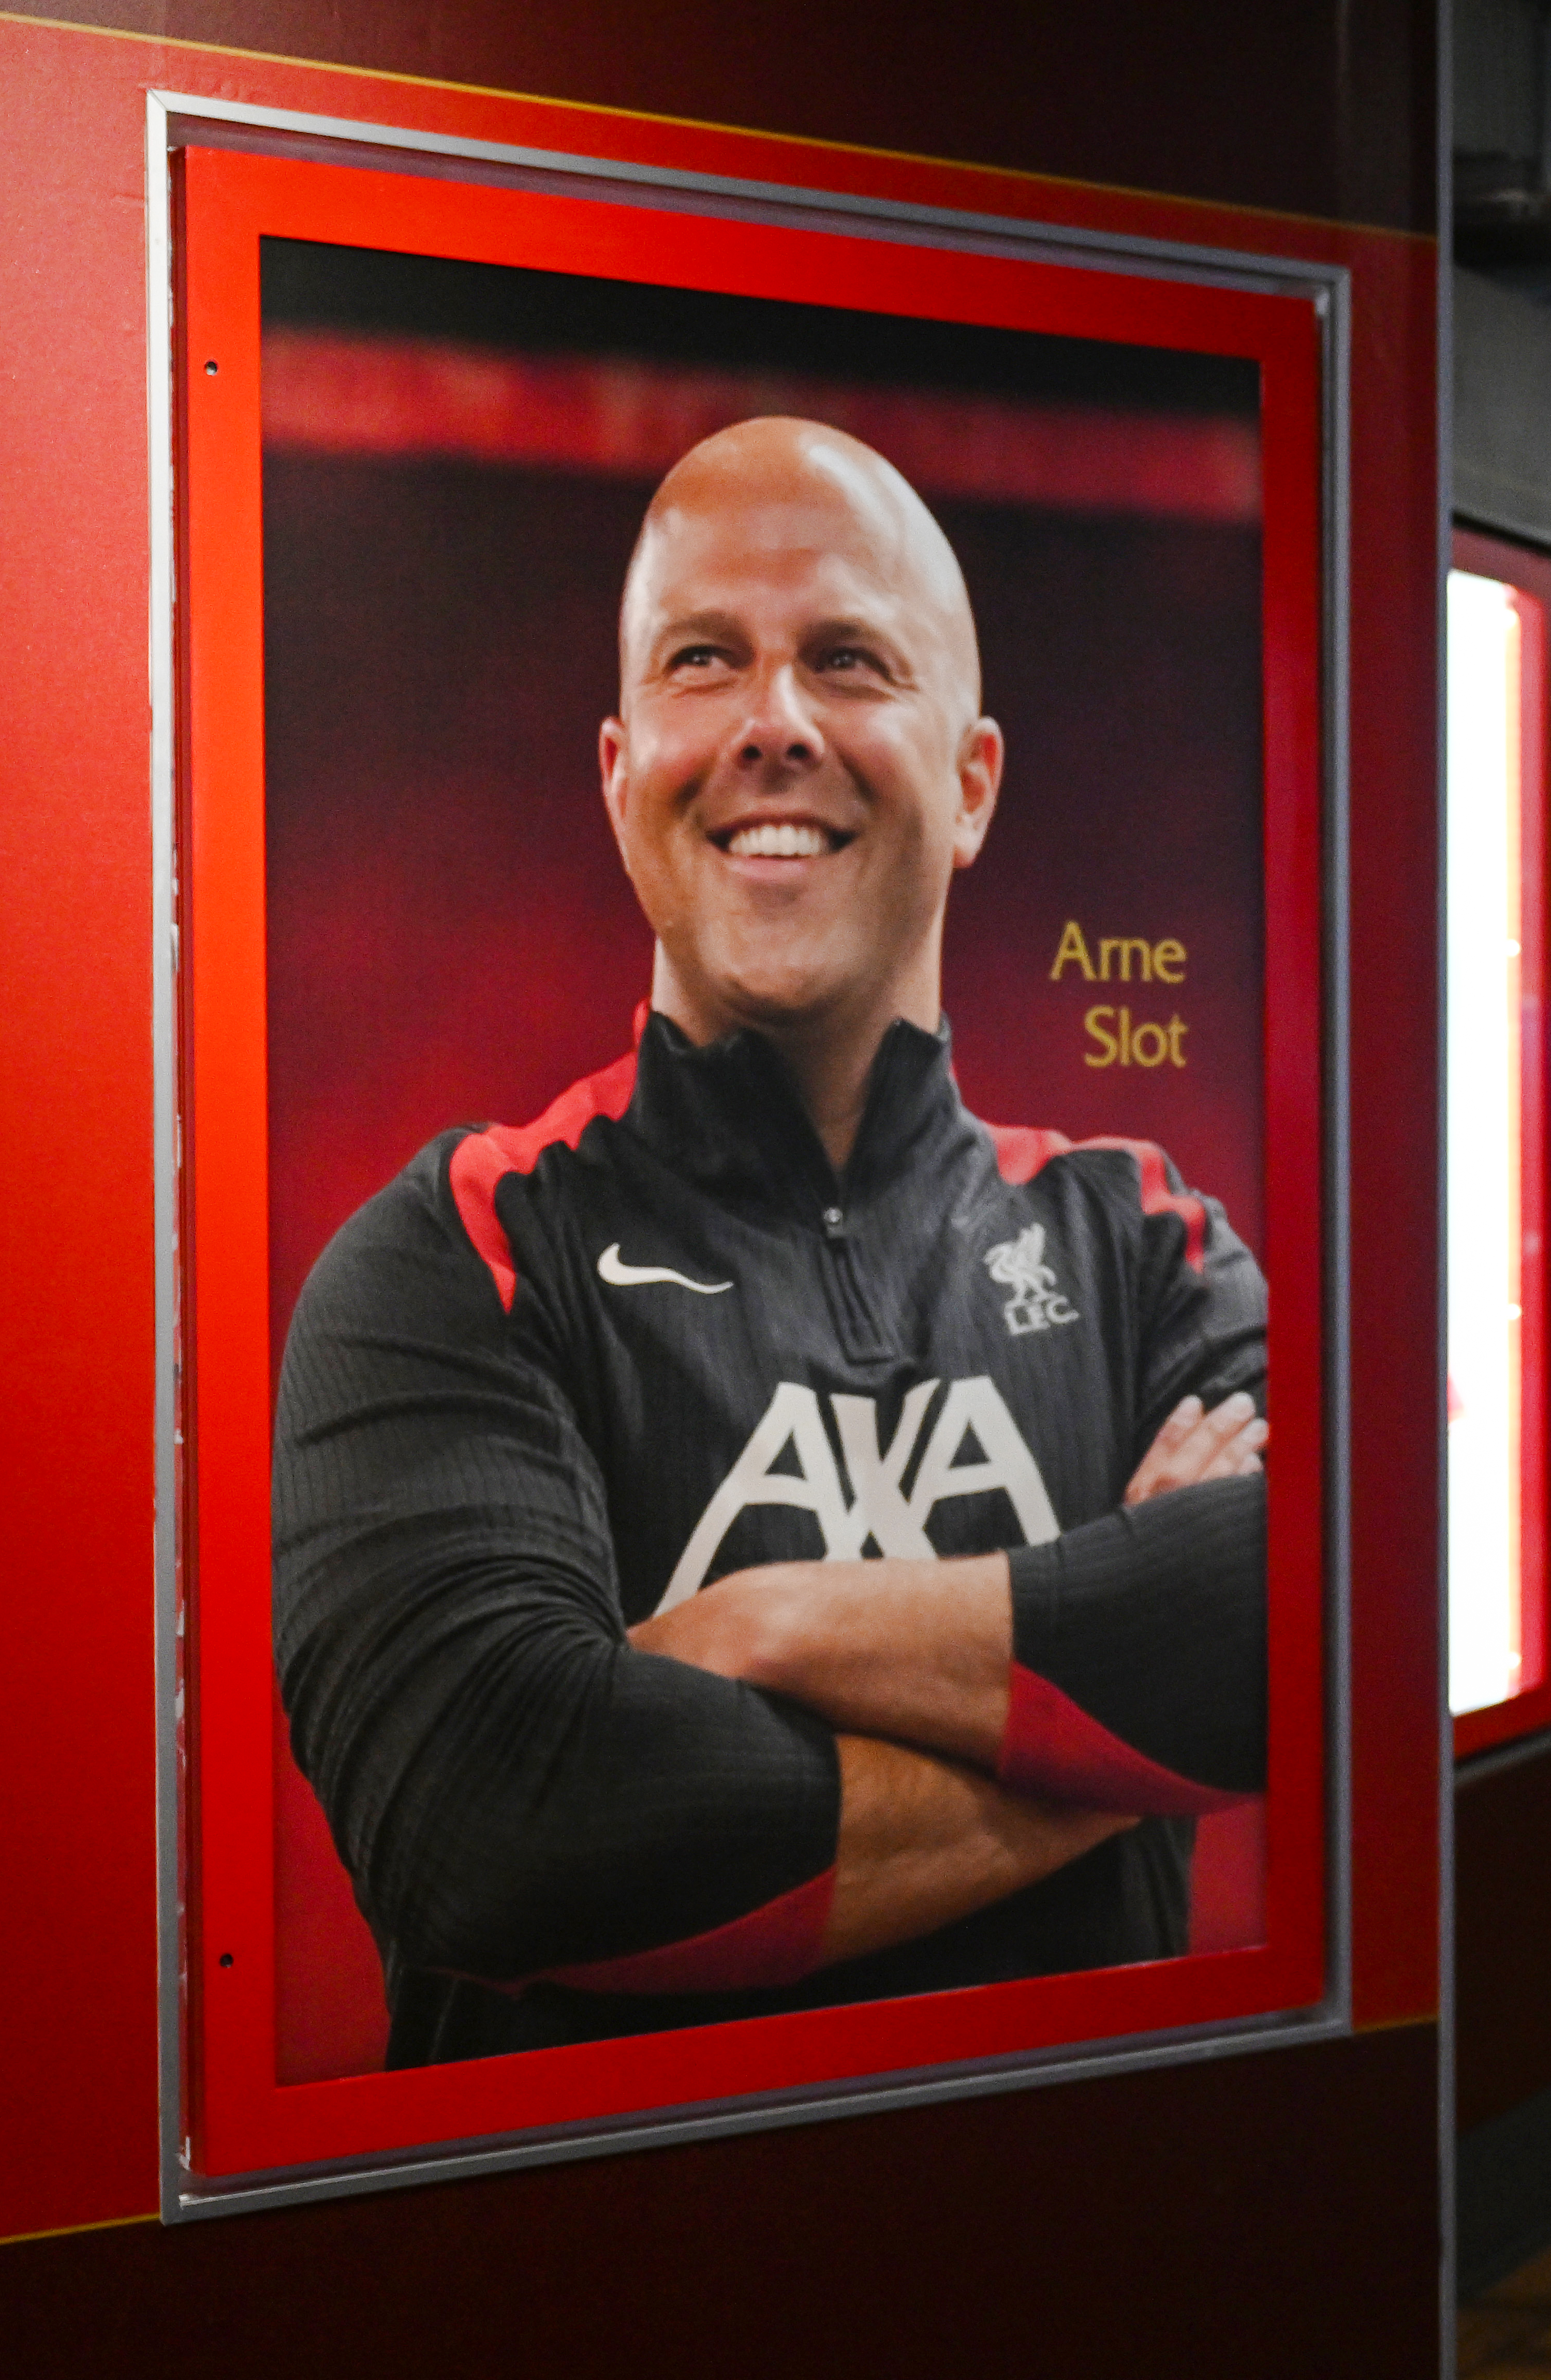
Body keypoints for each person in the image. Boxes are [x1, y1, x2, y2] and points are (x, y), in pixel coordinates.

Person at [273, 417, 1271, 2066]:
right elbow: (503, 1832)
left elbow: (1318, 1623)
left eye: (848, 659)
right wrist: (1126, 1744)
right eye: (703, 662)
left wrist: (768, 1624)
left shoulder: (1140, 1240)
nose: (774, 724)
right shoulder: (455, 1258)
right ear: (618, 778)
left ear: (970, 786)